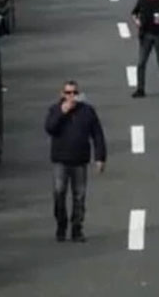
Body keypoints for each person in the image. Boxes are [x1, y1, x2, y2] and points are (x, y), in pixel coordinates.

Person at [44, 80, 106, 243]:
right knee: (59, 192)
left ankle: (77, 228)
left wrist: (100, 157)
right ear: (62, 94)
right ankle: (61, 225)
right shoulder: (55, 109)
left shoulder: (87, 111)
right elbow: (50, 128)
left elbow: (97, 134)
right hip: (60, 160)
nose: (72, 96)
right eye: (68, 93)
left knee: (79, 196)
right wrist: (62, 113)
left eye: (74, 93)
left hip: (79, 161)